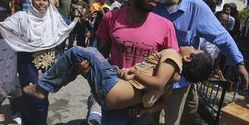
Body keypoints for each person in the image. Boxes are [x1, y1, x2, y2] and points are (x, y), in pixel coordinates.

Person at [151, 0, 248, 125]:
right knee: (153, 100)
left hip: (182, 72)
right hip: (156, 67)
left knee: (174, 110)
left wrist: (238, 62)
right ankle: (154, 124)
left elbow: (222, 37)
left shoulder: (197, 8)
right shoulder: (155, 6)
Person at [24, 46, 212, 108]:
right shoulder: (175, 79)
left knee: (76, 51)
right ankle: (52, 80)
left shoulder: (173, 56)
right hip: (111, 99)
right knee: (88, 53)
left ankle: (42, 87)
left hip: (112, 85)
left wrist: (136, 73)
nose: (192, 46)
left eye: (195, 49)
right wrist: (141, 111)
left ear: (188, 57)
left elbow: (158, 83)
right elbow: (164, 103)